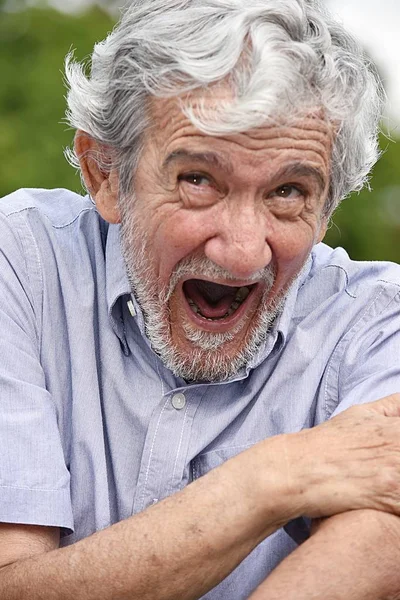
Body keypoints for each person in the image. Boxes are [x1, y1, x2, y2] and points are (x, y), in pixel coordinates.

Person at [0, 0, 400, 598]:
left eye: (289, 191)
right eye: (198, 180)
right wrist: (273, 479)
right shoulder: (20, 263)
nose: (243, 252)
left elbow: (382, 536)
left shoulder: (378, 324)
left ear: (326, 211)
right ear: (104, 173)